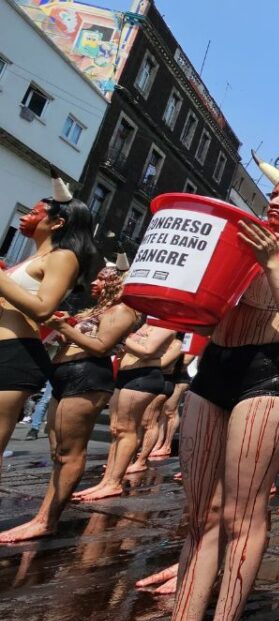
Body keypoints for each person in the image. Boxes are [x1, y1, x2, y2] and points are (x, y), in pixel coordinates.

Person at [155, 149, 279, 621]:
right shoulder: (234, 245)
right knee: (198, 516)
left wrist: (272, 265)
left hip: (268, 375)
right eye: (274, 194)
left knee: (241, 514)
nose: (276, 201)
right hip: (214, 370)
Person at [0, 266, 140, 542]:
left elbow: (100, 346)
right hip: (65, 374)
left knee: (69, 453)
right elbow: (79, 339)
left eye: (102, 277)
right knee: (57, 452)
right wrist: (65, 331)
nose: (95, 281)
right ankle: (44, 516)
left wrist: (63, 326)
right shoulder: (95, 310)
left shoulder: (124, 311)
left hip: (87, 376)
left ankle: (46, 520)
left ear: (119, 283)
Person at [0, 175, 99, 480]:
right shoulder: (32, 258)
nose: (24, 216)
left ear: (57, 223)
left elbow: (44, 308)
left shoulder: (64, 257)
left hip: (14, 355)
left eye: (34, 212)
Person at [71, 322, 172, 500]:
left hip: (144, 376)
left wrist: (122, 337)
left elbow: (148, 351)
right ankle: (106, 481)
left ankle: (114, 482)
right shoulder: (143, 325)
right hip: (125, 374)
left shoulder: (167, 325)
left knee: (127, 429)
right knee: (116, 429)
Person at [125, 334, 183, 475]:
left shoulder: (177, 344)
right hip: (146, 380)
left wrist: (143, 355)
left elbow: (163, 364)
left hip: (164, 382)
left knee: (149, 421)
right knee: (139, 423)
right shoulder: (159, 343)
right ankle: (129, 459)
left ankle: (141, 461)